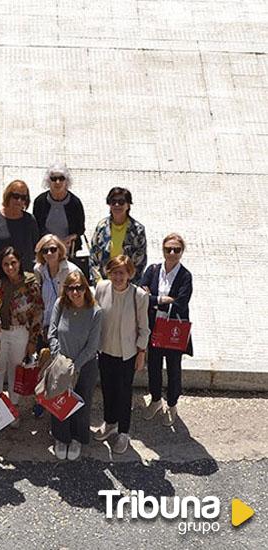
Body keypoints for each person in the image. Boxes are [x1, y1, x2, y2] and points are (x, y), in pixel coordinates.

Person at [93, 255, 150, 454]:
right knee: (108, 390)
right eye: (115, 272)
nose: (118, 277)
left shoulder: (139, 296)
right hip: (105, 350)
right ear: (109, 272)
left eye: (122, 273)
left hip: (128, 354)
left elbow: (144, 328)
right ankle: (109, 423)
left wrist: (141, 352)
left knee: (124, 394)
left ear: (130, 274)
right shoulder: (101, 288)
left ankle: (123, 432)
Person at [47, 271, 102, 460]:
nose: (75, 292)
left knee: (81, 402)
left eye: (79, 287)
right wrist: (59, 358)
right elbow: (52, 333)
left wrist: (74, 367)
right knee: (59, 400)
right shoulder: (60, 305)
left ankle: (78, 437)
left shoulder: (96, 312)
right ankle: (61, 437)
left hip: (84, 365)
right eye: (71, 288)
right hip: (61, 363)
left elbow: (92, 346)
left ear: (85, 288)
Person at [140, 233, 193, 427]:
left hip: (173, 330)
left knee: (173, 369)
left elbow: (181, 303)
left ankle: (172, 404)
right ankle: (155, 400)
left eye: (176, 250)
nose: (171, 253)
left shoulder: (185, 276)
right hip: (154, 327)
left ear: (181, 252)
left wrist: (153, 300)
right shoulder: (153, 270)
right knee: (153, 366)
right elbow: (141, 294)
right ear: (162, 249)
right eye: (168, 249)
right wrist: (162, 300)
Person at [0, 247, 43, 415]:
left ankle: (13, 409)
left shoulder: (30, 282)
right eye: (5, 264)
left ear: (19, 263)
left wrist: (33, 340)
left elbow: (38, 311)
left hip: (20, 332)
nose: (10, 267)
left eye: (13, 263)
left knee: (15, 371)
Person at [0, 180, 41, 280]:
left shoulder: (30, 220)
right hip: (0, 277)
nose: (19, 201)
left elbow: (36, 248)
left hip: (24, 278)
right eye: (16, 196)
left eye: (23, 198)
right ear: (8, 196)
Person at [89, 187, 147, 283]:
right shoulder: (101, 227)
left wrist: (127, 285)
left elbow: (140, 262)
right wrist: (98, 282)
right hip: (104, 283)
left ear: (128, 205)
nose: (117, 205)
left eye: (121, 202)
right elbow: (93, 257)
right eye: (113, 201)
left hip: (127, 284)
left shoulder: (138, 230)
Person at [33, 234, 80, 344]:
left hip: (65, 327)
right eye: (45, 251)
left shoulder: (72, 271)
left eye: (53, 249)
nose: (49, 253)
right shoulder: (39, 271)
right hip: (44, 327)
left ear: (60, 250)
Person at [32, 163, 85, 251]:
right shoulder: (40, 201)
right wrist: (51, 241)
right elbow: (36, 227)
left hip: (67, 250)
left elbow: (80, 229)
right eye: (54, 179)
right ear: (48, 181)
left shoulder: (75, 203)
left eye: (61, 178)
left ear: (66, 181)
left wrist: (69, 239)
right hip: (46, 250)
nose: (57, 182)